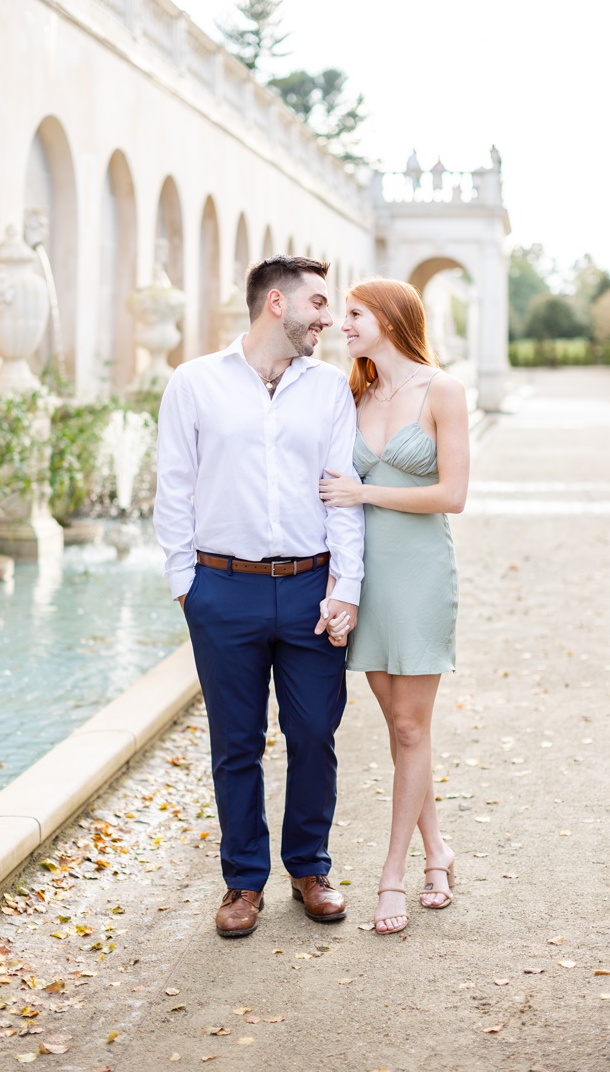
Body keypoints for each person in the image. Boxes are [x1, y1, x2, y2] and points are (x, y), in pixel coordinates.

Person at [155, 254, 364, 939]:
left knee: (313, 732)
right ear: (276, 302)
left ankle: (310, 869)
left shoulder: (329, 387)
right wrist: (187, 584)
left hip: (311, 587)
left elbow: (341, 495)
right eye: (319, 304)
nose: (328, 319)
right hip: (223, 589)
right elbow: (173, 488)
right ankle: (243, 881)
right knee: (235, 743)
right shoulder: (193, 383)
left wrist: (348, 586)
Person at [318, 279, 469, 935]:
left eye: (353, 313)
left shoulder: (444, 391)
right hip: (362, 578)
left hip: (418, 576)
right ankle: (439, 852)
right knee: (403, 729)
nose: (342, 324)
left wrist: (366, 494)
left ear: (389, 316)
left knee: (411, 729)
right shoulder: (347, 393)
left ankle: (392, 876)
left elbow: (453, 494)